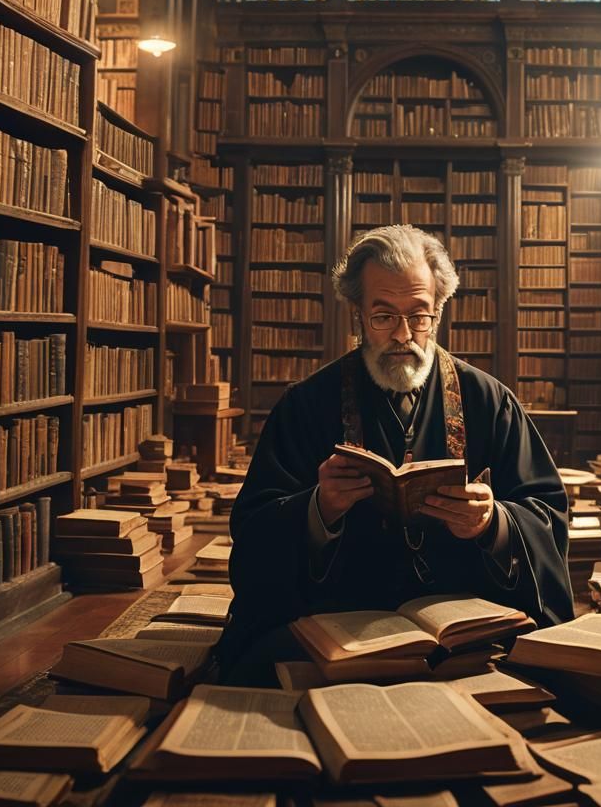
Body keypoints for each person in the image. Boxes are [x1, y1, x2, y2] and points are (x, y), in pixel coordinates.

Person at [217, 224, 574, 683]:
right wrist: (318, 508)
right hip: (337, 624)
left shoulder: (489, 401)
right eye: (384, 316)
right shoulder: (307, 404)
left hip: (464, 630)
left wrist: (493, 525)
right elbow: (253, 531)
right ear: (359, 315)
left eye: (419, 316)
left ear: (438, 313)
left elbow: (547, 513)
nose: (403, 334)